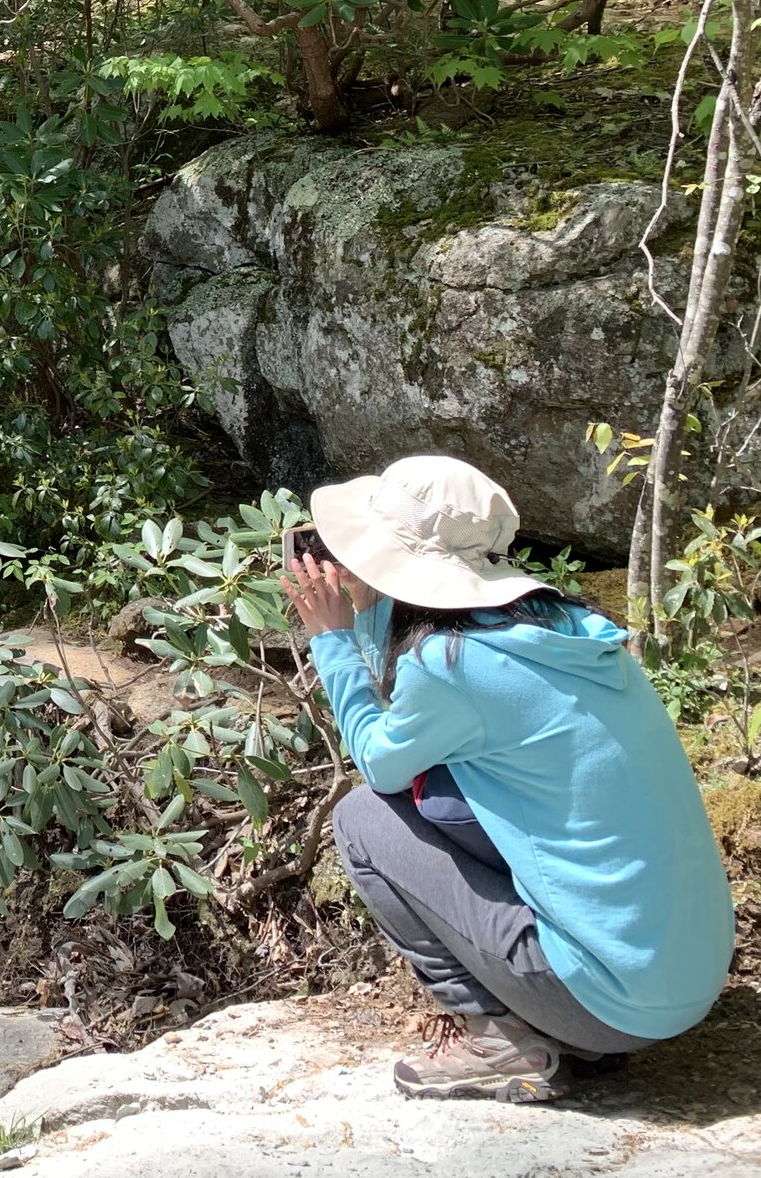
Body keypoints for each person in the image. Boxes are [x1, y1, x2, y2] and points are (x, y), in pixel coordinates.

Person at [279, 455, 732, 1102]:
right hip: (683, 978)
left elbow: (378, 759)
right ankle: (567, 1024)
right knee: (445, 795)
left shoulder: (451, 664)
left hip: (613, 999)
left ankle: (503, 1040)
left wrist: (331, 638)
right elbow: (419, 655)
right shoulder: (565, 628)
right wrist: (369, 600)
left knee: (362, 819)